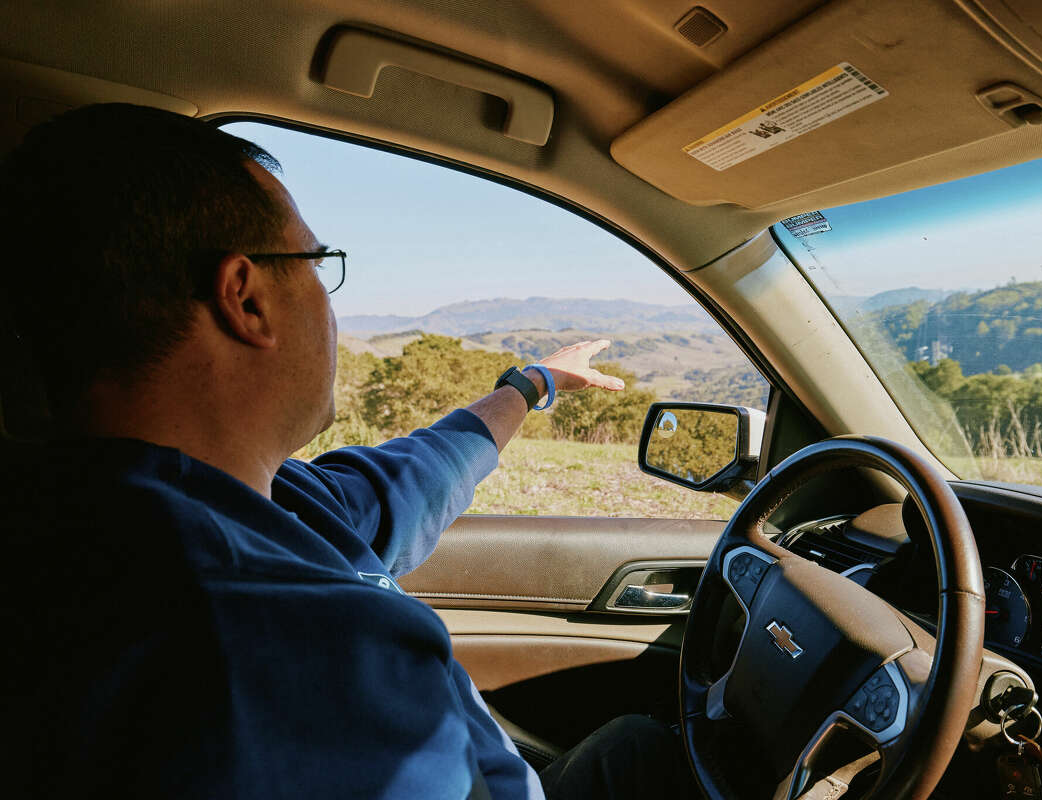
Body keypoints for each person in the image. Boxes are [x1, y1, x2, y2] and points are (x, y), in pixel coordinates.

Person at [0, 104, 700, 799]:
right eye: (315, 261)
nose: (330, 305)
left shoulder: (251, 499)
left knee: (637, 750)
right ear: (245, 300)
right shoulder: (276, 650)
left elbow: (422, 472)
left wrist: (532, 384)